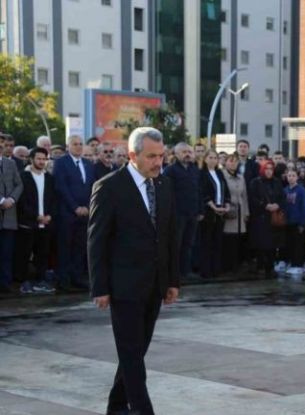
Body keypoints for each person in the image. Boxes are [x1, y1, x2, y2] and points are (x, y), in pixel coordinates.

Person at [88, 127, 179, 415]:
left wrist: (172, 281)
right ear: (132, 155)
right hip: (123, 286)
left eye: (161, 156)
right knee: (131, 356)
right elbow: (97, 240)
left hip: (155, 284)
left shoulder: (163, 185)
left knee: (134, 354)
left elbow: (168, 237)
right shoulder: (109, 187)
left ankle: (116, 407)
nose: (158, 162)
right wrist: (99, 287)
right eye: (151, 156)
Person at [53, 135, 95, 291]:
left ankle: (77, 278)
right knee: (65, 247)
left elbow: (92, 186)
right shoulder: (61, 163)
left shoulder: (88, 164)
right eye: (75, 144)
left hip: (85, 213)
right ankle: (63, 280)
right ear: (68, 146)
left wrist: (87, 206)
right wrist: (75, 207)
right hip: (67, 213)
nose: (78, 146)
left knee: (80, 247)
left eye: (80, 144)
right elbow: (61, 187)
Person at [15, 147, 56, 294]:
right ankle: (23, 283)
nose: (41, 162)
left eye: (44, 159)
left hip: (45, 224)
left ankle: (41, 281)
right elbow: (21, 201)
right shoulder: (23, 176)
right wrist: (35, 216)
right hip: (27, 223)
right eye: (39, 158)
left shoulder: (50, 178)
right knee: (24, 254)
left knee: (42, 254)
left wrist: (49, 216)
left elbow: (53, 200)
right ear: (31, 159)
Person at [163, 142, 202, 280]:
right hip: (177, 214)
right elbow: (167, 193)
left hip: (192, 213)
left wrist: (200, 210)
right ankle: (173, 273)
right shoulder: (170, 170)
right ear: (177, 154)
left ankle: (186, 271)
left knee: (188, 243)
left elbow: (199, 191)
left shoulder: (195, 170)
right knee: (176, 244)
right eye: (184, 152)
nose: (187, 154)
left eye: (189, 152)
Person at [248, 160, 285, 277]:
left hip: (273, 218)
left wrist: (277, 205)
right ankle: (260, 266)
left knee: (272, 245)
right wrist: (264, 205)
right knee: (260, 244)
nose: (269, 171)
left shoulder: (277, 182)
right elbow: (252, 199)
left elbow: (282, 197)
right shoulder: (255, 182)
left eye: (271, 169)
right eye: (266, 168)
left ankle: (270, 267)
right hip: (260, 217)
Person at [198, 149, 230, 279]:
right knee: (206, 241)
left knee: (218, 241)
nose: (213, 160)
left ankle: (216, 269)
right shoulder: (202, 174)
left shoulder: (220, 173)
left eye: (215, 158)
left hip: (221, 211)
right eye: (210, 157)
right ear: (205, 159)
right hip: (208, 211)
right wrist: (212, 206)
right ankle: (206, 270)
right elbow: (202, 192)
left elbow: (225, 190)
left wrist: (226, 205)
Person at [0, 135, 23, 293]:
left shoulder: (11, 163)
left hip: (9, 215)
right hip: (3, 205)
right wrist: (1, 200)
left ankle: (5, 283)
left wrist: (12, 199)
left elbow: (19, 184)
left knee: (7, 252)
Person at [222, 153, 249, 273]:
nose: (233, 163)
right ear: (226, 162)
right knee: (228, 239)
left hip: (240, 210)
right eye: (230, 161)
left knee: (238, 239)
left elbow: (245, 196)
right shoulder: (222, 175)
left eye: (235, 161)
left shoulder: (241, 177)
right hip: (228, 210)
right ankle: (227, 266)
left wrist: (246, 212)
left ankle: (236, 265)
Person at [283, 168, 305, 277]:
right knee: (289, 244)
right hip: (287, 222)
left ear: (297, 177)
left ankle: (298, 265)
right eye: (289, 175)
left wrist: (303, 223)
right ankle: (291, 263)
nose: (291, 178)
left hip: (298, 222)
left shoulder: (301, 190)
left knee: (298, 245)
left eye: (293, 175)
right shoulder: (285, 190)